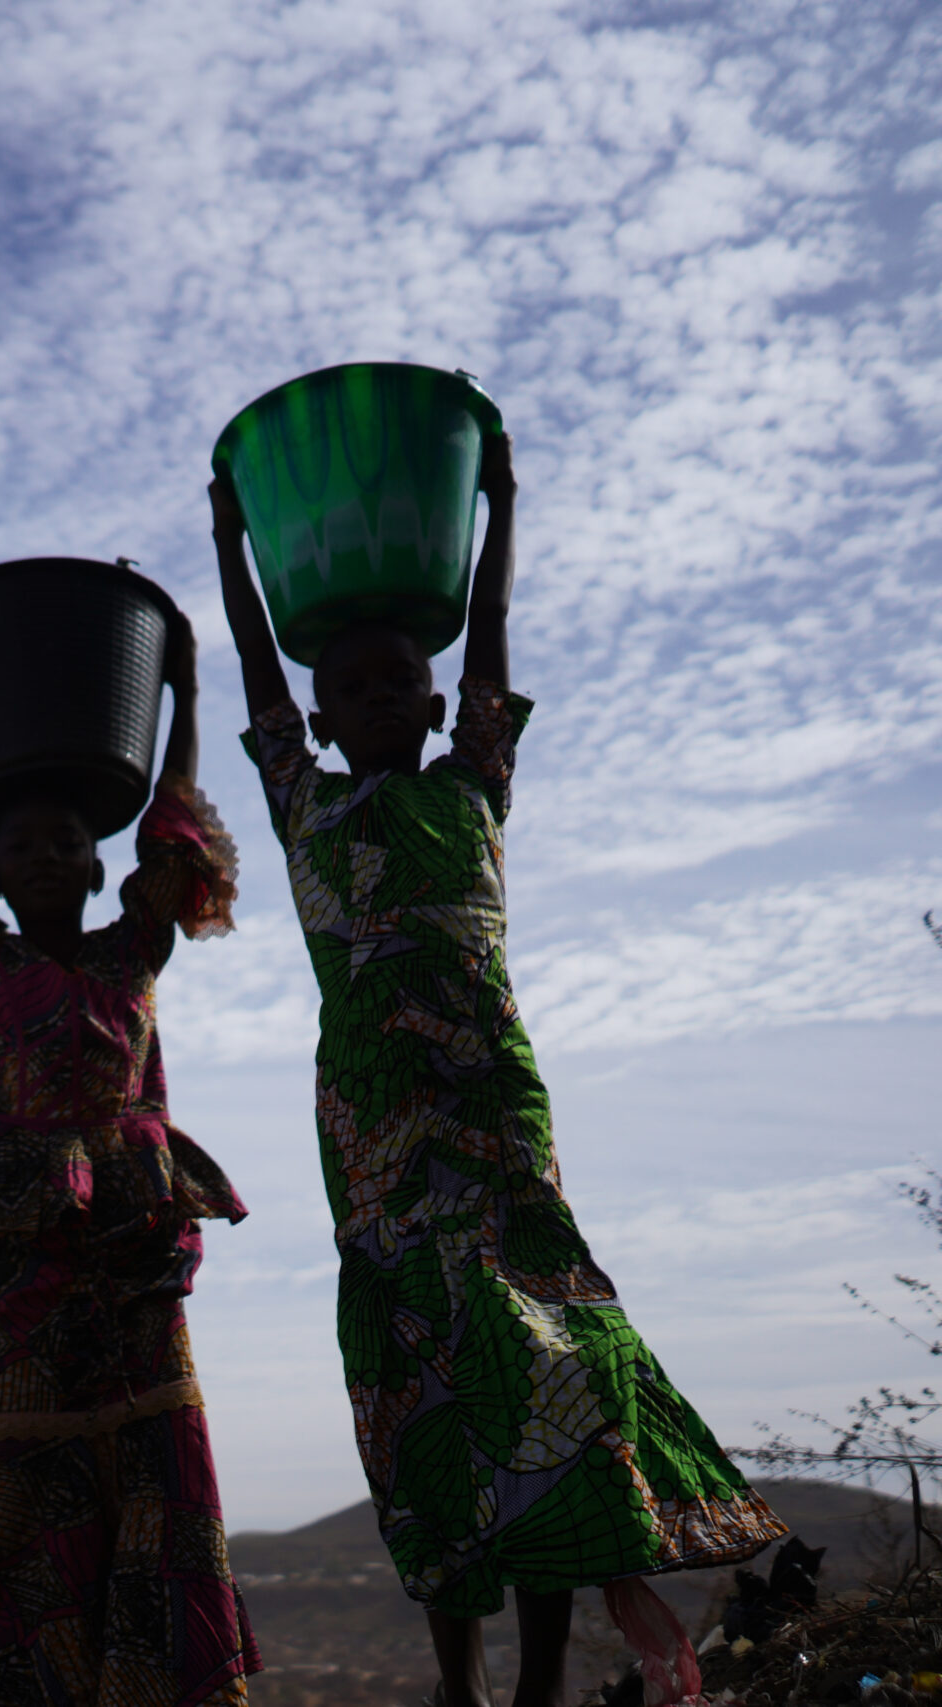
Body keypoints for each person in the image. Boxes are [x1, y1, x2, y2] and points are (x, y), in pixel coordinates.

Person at [210, 434, 784, 1707]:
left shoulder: (475, 786)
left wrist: (499, 501)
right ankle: (458, 1678)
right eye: (345, 685)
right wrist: (232, 546)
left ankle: (532, 1674)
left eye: (393, 682)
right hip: (373, 1133)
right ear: (320, 716)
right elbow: (253, 670)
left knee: (552, 1362)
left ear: (430, 707)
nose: (369, 696)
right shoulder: (304, 804)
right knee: (425, 1380)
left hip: (494, 1116)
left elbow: (492, 627)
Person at [0, 610, 260, 1707]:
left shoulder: (135, 945)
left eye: (67, 845)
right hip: (24, 1258)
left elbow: (172, 820)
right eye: (22, 846)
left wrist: (182, 685)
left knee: (156, 1454)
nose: (44, 856)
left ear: (100, 872)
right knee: (28, 1467)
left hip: (133, 1243)